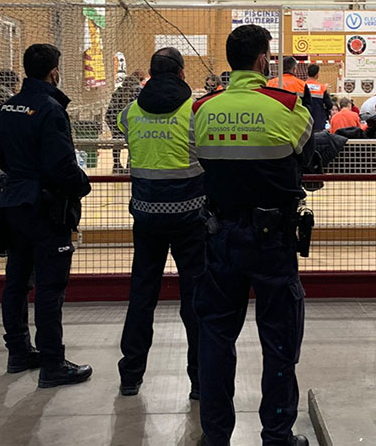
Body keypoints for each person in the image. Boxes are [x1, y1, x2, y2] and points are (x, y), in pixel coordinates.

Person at [193, 24, 313, 446]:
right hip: (272, 241)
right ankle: (277, 436)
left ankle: (215, 436)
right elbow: (304, 153)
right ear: (263, 60)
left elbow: (197, 159)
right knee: (279, 339)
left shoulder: (202, 109)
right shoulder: (287, 105)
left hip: (219, 236)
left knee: (215, 336)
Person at [0, 44, 92, 387]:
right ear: (54, 72)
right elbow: (60, 164)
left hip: (14, 202)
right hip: (45, 208)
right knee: (50, 286)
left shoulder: (6, 108)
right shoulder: (50, 109)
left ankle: (18, 352)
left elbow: (1, 157)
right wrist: (81, 185)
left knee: (17, 280)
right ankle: (52, 363)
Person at [115, 48, 205, 399]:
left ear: (150, 75)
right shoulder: (196, 111)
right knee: (195, 299)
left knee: (142, 295)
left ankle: (130, 375)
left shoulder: (130, 112)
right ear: (182, 74)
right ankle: (199, 380)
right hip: (191, 217)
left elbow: (126, 133)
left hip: (146, 217)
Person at [105, 74, 142, 174]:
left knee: (117, 143)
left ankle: (116, 165)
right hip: (128, 120)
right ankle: (129, 166)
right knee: (132, 142)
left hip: (114, 119)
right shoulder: (136, 91)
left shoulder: (118, 92)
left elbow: (110, 110)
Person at [304, 63, 333, 132]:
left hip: (304, 120)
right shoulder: (322, 87)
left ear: (307, 73)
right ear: (317, 75)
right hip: (318, 121)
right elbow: (329, 105)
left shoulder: (301, 86)